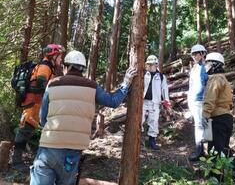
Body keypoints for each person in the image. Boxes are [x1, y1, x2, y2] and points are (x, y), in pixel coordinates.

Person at [30, 50, 137, 185]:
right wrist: (126, 82)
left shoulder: (52, 84)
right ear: (82, 69)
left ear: (66, 67)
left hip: (49, 147)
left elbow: (42, 118)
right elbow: (113, 101)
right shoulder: (91, 86)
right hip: (73, 151)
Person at [11, 44, 65, 171]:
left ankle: (35, 159)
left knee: (28, 132)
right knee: (24, 131)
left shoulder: (48, 67)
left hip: (37, 105)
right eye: (59, 57)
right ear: (53, 56)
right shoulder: (45, 67)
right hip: (32, 105)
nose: (60, 59)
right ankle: (16, 162)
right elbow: (41, 83)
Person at [202, 52, 235, 181]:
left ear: (214, 64)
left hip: (218, 119)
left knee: (216, 151)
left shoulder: (215, 79)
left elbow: (210, 98)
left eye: (207, 62)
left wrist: (205, 115)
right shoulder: (223, 79)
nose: (205, 65)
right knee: (224, 149)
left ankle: (216, 179)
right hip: (225, 118)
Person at [142, 55, 170, 150]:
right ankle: (139, 140)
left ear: (156, 64)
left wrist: (166, 99)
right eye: (149, 64)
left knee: (153, 121)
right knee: (139, 120)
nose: (151, 66)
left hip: (155, 102)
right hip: (143, 101)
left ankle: (152, 141)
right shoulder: (144, 75)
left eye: (153, 64)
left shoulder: (161, 77)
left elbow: (164, 89)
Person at [188, 44, 208, 161]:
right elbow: (192, 85)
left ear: (202, 54)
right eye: (193, 54)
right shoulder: (194, 68)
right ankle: (201, 150)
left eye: (197, 53)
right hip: (194, 100)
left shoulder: (206, 67)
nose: (195, 56)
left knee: (202, 125)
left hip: (202, 100)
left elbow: (206, 84)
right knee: (199, 125)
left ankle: (200, 151)